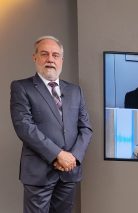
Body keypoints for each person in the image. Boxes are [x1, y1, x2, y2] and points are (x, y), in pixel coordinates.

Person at [10, 35, 93, 213]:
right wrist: (57, 155)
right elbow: (24, 127)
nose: (50, 59)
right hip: (38, 173)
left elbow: (86, 128)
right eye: (44, 54)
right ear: (35, 57)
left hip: (69, 172)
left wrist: (74, 158)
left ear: (61, 60)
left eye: (55, 55)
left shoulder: (75, 91)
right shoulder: (21, 87)